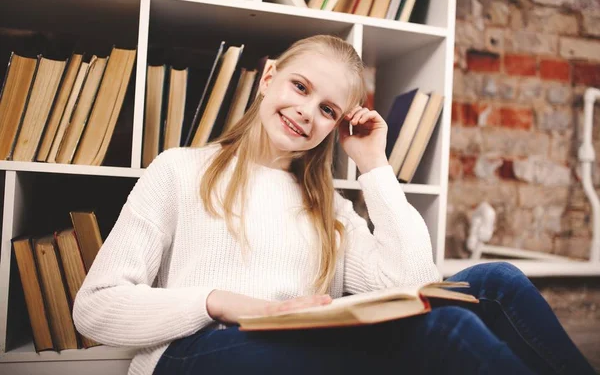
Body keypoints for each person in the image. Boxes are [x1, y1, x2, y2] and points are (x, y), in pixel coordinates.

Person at [72, 35, 597, 375]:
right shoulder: (180, 170)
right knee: (449, 332)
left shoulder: (331, 209)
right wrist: (221, 303)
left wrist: (374, 166)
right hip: (193, 354)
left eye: (327, 109)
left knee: (499, 283)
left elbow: (416, 285)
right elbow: (94, 308)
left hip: (298, 347)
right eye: (299, 87)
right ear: (269, 75)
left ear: (338, 125)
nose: (305, 112)